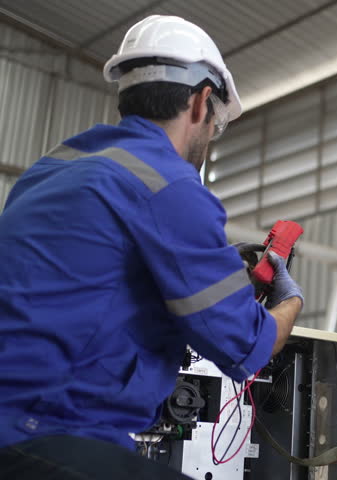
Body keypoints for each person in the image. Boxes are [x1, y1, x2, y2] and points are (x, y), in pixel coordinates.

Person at [0, 15, 304, 479]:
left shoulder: (51, 169)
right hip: (41, 431)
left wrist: (216, 269)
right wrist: (290, 299)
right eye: (217, 124)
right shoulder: (169, 185)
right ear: (201, 102)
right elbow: (247, 346)